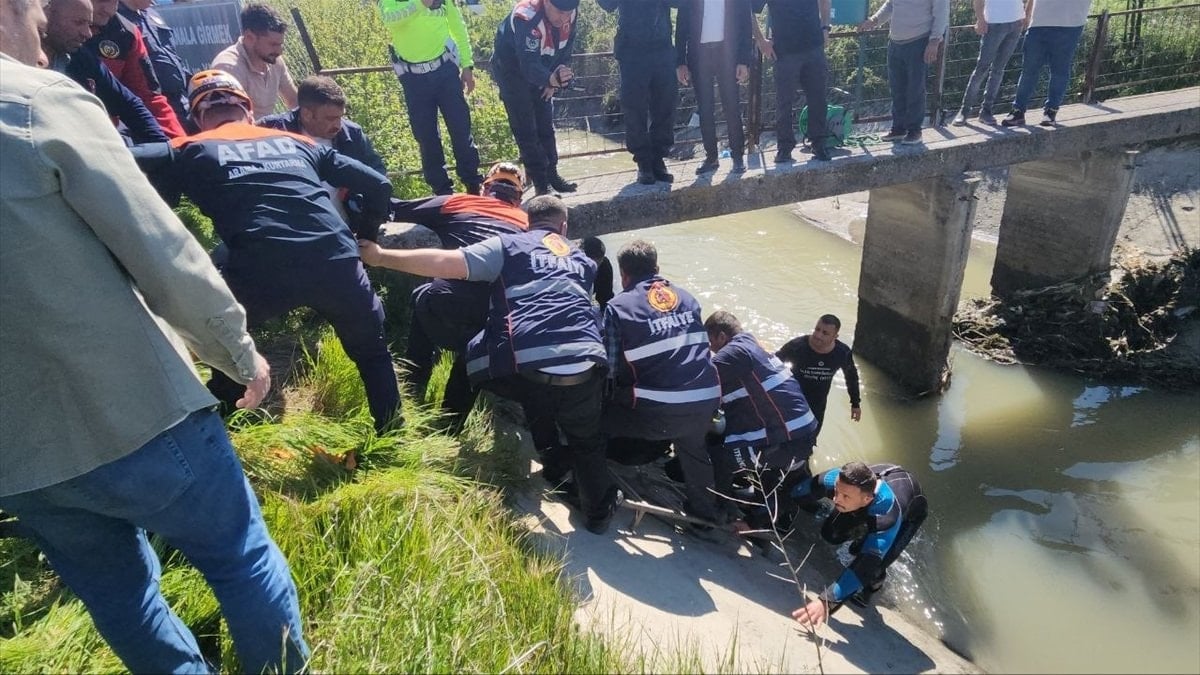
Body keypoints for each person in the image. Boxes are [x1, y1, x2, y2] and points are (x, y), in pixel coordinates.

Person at [0, 2, 309, 670]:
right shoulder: (32, 102)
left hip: (22, 457)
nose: (46, 38)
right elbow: (160, 250)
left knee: (123, 599)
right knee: (238, 554)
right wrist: (236, 350)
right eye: (36, 14)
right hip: (135, 410)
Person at [134, 70, 401, 432]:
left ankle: (232, 427)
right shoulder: (298, 142)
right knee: (373, 355)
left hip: (260, 271)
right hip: (335, 260)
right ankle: (392, 435)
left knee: (224, 343)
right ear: (247, 110)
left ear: (197, 119)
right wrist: (363, 235)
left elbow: (112, 159)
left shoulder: (187, 149)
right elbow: (380, 185)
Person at [359, 195, 623, 535]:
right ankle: (597, 514)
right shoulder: (584, 261)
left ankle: (446, 430)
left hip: (525, 370)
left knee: (470, 357)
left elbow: (444, 262)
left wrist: (380, 257)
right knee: (587, 441)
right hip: (586, 368)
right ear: (564, 227)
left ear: (526, 221)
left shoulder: (510, 246)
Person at [387, 161, 529, 427]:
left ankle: (412, 388)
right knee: (472, 351)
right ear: (519, 198)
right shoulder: (527, 224)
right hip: (497, 321)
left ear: (486, 188)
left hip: (445, 303)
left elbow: (395, 208)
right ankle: (451, 427)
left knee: (424, 296)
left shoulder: (460, 202)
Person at [602, 241, 724, 522]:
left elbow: (606, 369)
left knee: (592, 422)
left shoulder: (618, 308)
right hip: (705, 403)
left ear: (623, 274)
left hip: (658, 413)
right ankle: (705, 517)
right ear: (657, 268)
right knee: (695, 453)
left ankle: (589, 481)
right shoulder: (688, 298)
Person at [704, 310, 817, 530]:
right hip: (801, 431)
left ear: (721, 336)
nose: (711, 349)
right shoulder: (753, 343)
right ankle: (756, 502)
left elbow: (700, 379)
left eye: (711, 342)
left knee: (721, 455)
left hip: (788, 439)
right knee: (730, 443)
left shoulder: (735, 352)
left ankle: (719, 510)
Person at [791, 462, 928, 627]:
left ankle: (875, 583)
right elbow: (796, 492)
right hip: (868, 491)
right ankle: (862, 534)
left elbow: (865, 567)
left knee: (874, 568)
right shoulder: (838, 480)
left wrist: (826, 601)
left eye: (845, 497)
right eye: (835, 491)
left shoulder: (887, 514)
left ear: (867, 499)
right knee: (831, 534)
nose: (835, 499)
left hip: (911, 512)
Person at [381, 0, 484, 196]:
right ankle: (442, 192)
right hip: (413, 78)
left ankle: (472, 185)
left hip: (445, 70)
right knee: (426, 137)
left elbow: (458, 27)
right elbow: (390, 19)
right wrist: (421, 4)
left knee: (461, 128)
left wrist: (467, 65)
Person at [258, 74, 388, 222]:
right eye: (331, 119)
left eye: (341, 117)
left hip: (347, 224)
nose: (338, 125)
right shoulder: (270, 131)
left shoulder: (352, 133)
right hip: (293, 226)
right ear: (307, 114)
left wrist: (357, 187)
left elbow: (377, 171)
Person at [43, 0, 167, 144]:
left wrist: (165, 148)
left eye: (89, 25)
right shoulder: (18, 58)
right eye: (78, 22)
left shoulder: (80, 56)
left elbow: (130, 103)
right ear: (46, 14)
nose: (87, 33)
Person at [492, 0, 580, 196]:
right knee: (526, 129)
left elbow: (566, 50)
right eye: (559, 12)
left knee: (545, 125)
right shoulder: (526, 17)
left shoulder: (569, 12)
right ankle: (541, 184)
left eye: (569, 12)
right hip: (512, 72)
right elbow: (528, 64)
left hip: (543, 68)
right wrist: (550, 79)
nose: (564, 18)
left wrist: (555, 79)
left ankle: (552, 174)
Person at [597, 0, 679, 185]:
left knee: (666, 103)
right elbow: (607, 6)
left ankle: (658, 159)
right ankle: (643, 162)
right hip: (632, 51)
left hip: (662, 48)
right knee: (634, 107)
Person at [675, 0, 754, 175]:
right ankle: (711, 158)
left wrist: (743, 60)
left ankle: (738, 157)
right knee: (705, 109)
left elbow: (745, 23)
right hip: (699, 54)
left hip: (727, 52)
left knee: (731, 105)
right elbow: (681, 24)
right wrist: (680, 62)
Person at [87, 0, 186, 137]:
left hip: (107, 134)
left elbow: (149, 98)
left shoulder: (126, 33)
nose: (109, 9)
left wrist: (179, 144)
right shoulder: (50, 30)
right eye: (101, 1)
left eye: (114, 1)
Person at [858, 0, 950, 145]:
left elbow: (941, 12)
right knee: (897, 89)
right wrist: (874, 20)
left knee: (915, 89)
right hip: (895, 42)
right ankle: (898, 128)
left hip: (919, 41)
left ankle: (915, 131)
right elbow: (890, 4)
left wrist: (934, 41)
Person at [753, 0, 832, 163]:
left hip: (814, 46)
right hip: (784, 51)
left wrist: (825, 28)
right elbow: (747, 9)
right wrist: (761, 41)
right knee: (784, 102)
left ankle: (819, 143)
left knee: (818, 98)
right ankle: (784, 148)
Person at [1001, 0, 1091, 128]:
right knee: (1029, 70)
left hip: (1070, 24)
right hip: (1038, 24)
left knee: (1059, 71)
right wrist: (1026, 15)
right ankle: (1018, 111)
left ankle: (1051, 111)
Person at [775, 314, 861, 441]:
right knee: (784, 438)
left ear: (835, 337)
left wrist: (855, 403)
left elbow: (851, 377)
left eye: (825, 333)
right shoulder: (797, 346)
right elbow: (773, 366)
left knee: (810, 440)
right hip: (792, 399)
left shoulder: (842, 352)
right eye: (817, 329)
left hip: (817, 404)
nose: (818, 335)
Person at [211, 2, 297, 120]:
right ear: (250, 37)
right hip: (242, 135)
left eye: (281, 44)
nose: (279, 51)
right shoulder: (228, 68)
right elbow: (232, 123)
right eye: (273, 44)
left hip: (267, 133)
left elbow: (294, 101)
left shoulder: (275, 60)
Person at [952, 0, 1026, 126]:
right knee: (982, 69)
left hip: (1016, 22)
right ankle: (964, 111)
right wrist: (980, 19)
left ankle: (986, 111)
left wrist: (1026, 15)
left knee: (998, 70)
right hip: (993, 22)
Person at [119, 0, 193, 125]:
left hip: (181, 103)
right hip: (152, 109)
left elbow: (171, 59)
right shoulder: (118, 22)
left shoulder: (151, 14)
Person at [581, 236, 614, 311]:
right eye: (592, 265)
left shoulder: (604, 265)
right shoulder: (571, 268)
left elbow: (606, 298)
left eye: (598, 263)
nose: (595, 268)